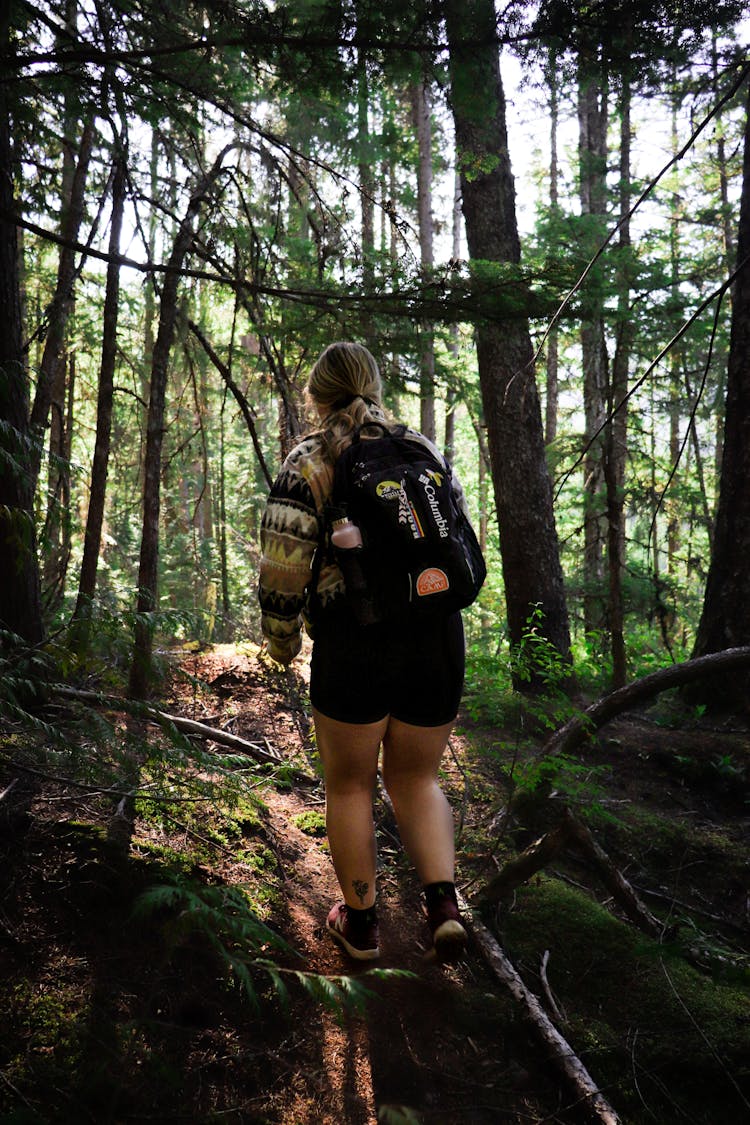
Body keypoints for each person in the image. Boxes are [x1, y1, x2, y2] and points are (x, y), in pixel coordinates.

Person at [258, 341, 469, 962]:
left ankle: (362, 926)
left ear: (316, 396)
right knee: (417, 776)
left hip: (357, 641)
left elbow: (284, 561)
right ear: (373, 387)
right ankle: (444, 910)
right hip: (436, 633)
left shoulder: (310, 460)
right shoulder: (422, 448)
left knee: (350, 784)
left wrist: (282, 640)